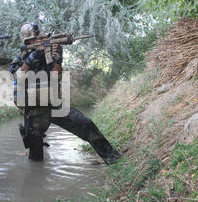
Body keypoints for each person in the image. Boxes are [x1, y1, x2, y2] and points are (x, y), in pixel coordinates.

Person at [10, 23, 123, 164]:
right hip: (34, 111)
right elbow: (17, 77)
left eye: (37, 38)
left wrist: (57, 59)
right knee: (36, 158)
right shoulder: (21, 58)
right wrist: (31, 58)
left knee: (85, 124)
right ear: (26, 42)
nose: (36, 42)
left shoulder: (48, 54)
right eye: (33, 40)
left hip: (53, 104)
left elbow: (55, 76)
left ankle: (112, 157)